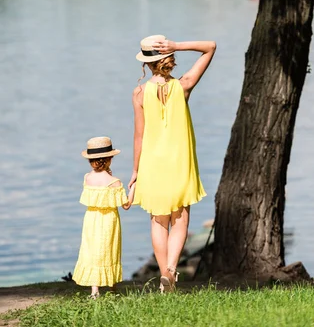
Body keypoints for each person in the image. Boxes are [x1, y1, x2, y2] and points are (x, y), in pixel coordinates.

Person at [129, 35, 216, 293]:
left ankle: (163, 275)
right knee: (180, 218)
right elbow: (210, 47)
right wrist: (177, 45)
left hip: (152, 162)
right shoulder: (184, 85)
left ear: (147, 64)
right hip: (181, 160)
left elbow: (139, 135)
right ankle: (171, 272)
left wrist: (135, 171)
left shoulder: (140, 93)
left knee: (159, 219)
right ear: (168, 59)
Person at [73, 136, 135, 299]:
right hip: (109, 221)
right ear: (109, 159)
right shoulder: (114, 182)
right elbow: (126, 205)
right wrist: (134, 188)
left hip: (91, 220)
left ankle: (95, 291)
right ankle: (112, 286)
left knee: (92, 251)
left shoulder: (87, 178)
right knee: (109, 250)